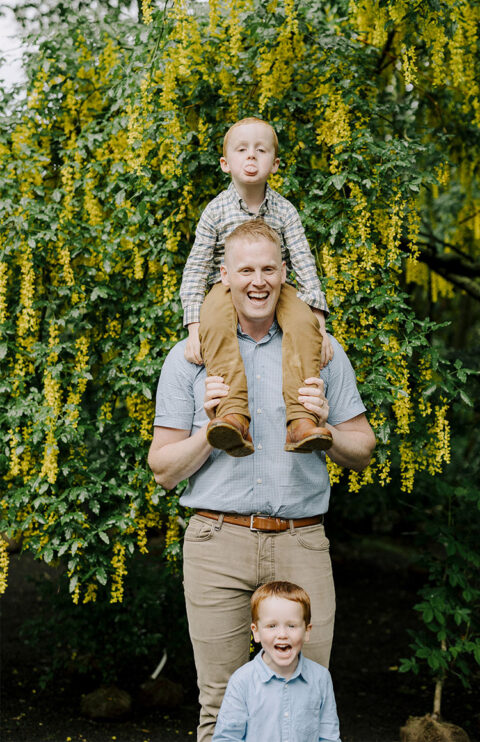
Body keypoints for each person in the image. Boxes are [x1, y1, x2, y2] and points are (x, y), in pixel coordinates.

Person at [149, 220, 376, 742]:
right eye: (245, 270)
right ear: (224, 276)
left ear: (284, 274)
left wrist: (324, 427)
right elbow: (163, 469)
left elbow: (362, 451)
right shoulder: (190, 360)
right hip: (216, 541)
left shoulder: (321, 351)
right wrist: (210, 430)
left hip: (301, 539)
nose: (258, 281)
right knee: (220, 705)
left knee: (310, 700)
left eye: (268, 269)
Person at [180, 116, 333, 457]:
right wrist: (194, 327)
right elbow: (195, 270)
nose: (251, 157)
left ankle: (302, 421)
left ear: (274, 164)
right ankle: (232, 415)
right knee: (216, 320)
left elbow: (305, 264)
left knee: (301, 322)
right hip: (226, 287)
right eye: (242, 150)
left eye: (261, 150)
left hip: (278, 285)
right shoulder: (215, 211)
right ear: (226, 163)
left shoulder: (285, 211)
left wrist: (318, 322)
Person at [212, 581, 341, 742]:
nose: (282, 634)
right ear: (256, 632)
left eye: (292, 626)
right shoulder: (242, 681)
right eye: (272, 626)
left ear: (307, 631)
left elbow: (329, 737)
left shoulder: (320, 678)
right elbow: (226, 738)